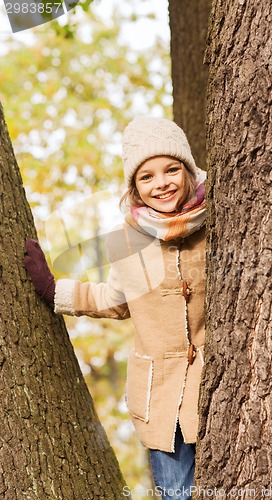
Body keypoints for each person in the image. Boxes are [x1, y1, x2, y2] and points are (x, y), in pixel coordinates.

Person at [24, 116, 206, 499]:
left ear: (188, 171)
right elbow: (115, 301)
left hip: (217, 385)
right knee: (177, 495)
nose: (162, 183)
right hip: (161, 396)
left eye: (171, 169)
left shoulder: (219, 222)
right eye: (147, 177)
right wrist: (54, 289)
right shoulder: (128, 239)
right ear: (135, 188)